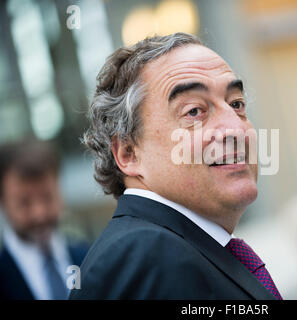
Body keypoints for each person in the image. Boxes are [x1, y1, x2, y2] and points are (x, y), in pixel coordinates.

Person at [70, 33, 281, 300]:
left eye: (236, 104)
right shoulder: (147, 254)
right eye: (194, 111)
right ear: (128, 153)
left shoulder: (176, 248)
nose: (236, 128)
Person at [0, 139, 88, 300]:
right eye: (24, 202)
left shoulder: (88, 259)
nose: (39, 214)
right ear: (3, 202)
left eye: (47, 197)